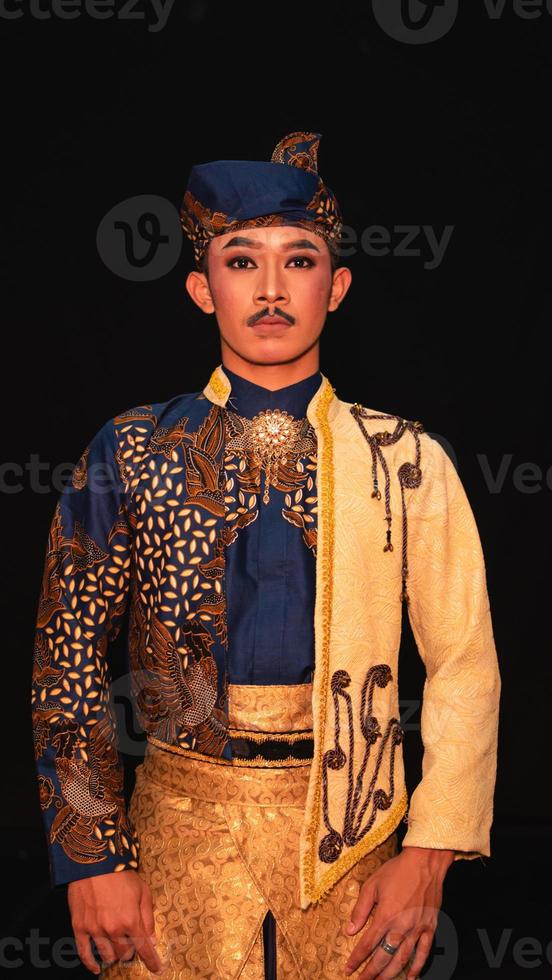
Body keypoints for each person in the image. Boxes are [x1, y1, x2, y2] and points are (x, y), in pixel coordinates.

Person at [31, 131, 501, 979]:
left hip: (355, 844)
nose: (274, 288)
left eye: (301, 260)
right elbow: (68, 662)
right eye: (242, 261)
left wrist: (430, 854)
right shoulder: (132, 450)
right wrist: (93, 855)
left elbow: (465, 664)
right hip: (176, 826)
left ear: (339, 285)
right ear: (201, 289)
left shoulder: (405, 458)